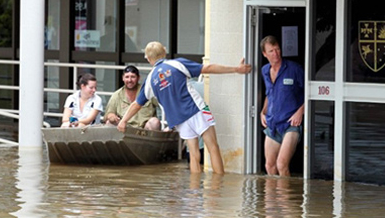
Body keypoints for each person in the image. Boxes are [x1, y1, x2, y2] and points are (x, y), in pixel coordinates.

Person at [117, 41, 252, 174]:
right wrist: (236, 69)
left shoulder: (150, 80)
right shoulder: (177, 64)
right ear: (164, 52)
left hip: (179, 120)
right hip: (197, 109)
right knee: (213, 147)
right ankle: (217, 190)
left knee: (193, 155)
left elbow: (136, 104)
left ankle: (193, 193)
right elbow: (208, 69)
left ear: (147, 58)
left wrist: (123, 121)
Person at [259, 35, 304, 177]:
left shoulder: (294, 69)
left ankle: (286, 199)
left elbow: (310, 93)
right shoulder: (265, 70)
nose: (276, 53)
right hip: (273, 123)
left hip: (291, 123)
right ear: (264, 54)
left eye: (277, 49)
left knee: (282, 164)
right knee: (270, 166)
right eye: (271, 51)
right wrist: (262, 111)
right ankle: (272, 199)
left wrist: (300, 112)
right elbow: (270, 94)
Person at [103, 65, 161, 130]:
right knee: (109, 123)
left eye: (133, 77)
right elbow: (109, 114)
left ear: (139, 78)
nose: (130, 80)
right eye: (127, 77)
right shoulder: (117, 95)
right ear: (123, 78)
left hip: (145, 130)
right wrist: (112, 117)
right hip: (125, 130)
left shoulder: (146, 92)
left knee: (154, 122)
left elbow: (163, 105)